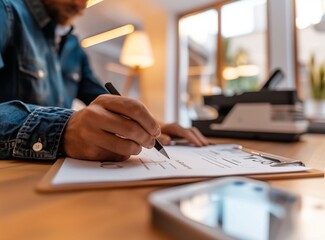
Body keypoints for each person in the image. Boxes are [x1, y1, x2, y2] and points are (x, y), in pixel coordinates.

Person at [0, 0, 209, 161]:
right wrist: (62, 130)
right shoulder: (6, 12)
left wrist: (152, 124)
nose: (80, 4)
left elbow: (101, 97)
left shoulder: (74, 47)